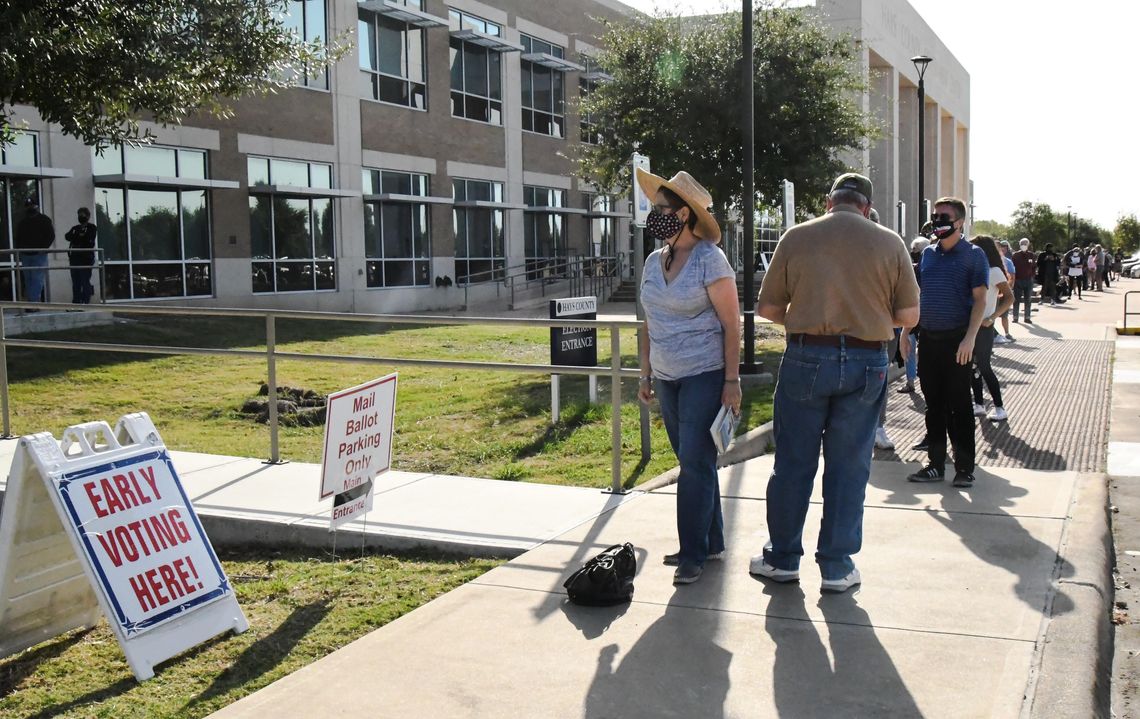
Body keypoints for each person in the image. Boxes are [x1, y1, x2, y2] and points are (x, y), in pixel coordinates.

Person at [752, 173, 919, 594]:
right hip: (868, 360)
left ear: (830, 202)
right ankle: (837, 566)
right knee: (849, 467)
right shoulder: (890, 242)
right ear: (866, 206)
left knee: (793, 463)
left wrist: (810, 318)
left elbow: (768, 307)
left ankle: (783, 558)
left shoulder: (796, 237)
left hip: (807, 356)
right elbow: (910, 316)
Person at [635, 168, 740, 586]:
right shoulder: (652, 260)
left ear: (682, 214)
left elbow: (732, 325)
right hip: (666, 375)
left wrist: (731, 381)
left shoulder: (710, 260)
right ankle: (710, 541)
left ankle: (692, 553)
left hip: (704, 374)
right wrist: (644, 373)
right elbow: (648, 320)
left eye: (660, 209)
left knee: (695, 464)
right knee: (693, 461)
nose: (653, 215)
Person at [907, 197, 988, 489]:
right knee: (934, 406)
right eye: (935, 215)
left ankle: (964, 468)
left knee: (960, 405)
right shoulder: (927, 255)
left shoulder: (974, 255)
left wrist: (970, 338)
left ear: (960, 222)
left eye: (944, 216)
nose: (938, 220)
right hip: (929, 340)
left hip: (958, 341)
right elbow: (920, 296)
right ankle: (935, 465)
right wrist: (908, 333)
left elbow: (980, 301)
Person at [970, 236, 1014, 421]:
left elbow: (1009, 297)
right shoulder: (973, 269)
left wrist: (992, 318)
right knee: (972, 366)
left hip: (985, 326)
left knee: (985, 366)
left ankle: (999, 407)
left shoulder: (994, 271)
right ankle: (979, 404)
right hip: (970, 325)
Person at [898, 237, 930, 395]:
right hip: (921, 314)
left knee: (911, 349)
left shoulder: (919, 269)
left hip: (919, 314)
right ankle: (913, 380)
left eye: (916, 250)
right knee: (911, 348)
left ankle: (912, 381)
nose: (913, 253)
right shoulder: (920, 267)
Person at [14, 197, 55, 303]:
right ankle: (32, 302)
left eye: (32, 206)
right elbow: (18, 238)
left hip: (39, 255)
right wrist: (19, 251)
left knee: (37, 279)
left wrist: (43, 249)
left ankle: (33, 303)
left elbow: (51, 236)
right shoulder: (23, 222)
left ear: (37, 206)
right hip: (26, 255)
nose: (30, 208)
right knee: (28, 280)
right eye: (28, 206)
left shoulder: (44, 220)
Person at [65, 207, 97, 304]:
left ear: (87, 216)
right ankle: (76, 302)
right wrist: (79, 235)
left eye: (83, 215)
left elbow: (89, 240)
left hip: (86, 258)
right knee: (76, 282)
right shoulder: (76, 228)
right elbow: (67, 236)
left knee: (85, 280)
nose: (81, 217)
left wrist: (79, 236)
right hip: (75, 258)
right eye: (79, 215)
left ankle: (85, 301)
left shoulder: (92, 227)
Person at [994, 240, 1016, 343]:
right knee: (991, 315)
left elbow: (1012, 276)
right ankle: (993, 335)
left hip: (1004, 292)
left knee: (1004, 315)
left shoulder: (1008, 261)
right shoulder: (989, 261)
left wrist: (1009, 289)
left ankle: (1007, 333)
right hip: (993, 293)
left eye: (1000, 247)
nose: (1000, 249)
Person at [1011, 238, 1037, 323]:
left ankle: (1027, 317)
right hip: (1018, 280)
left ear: (1028, 245)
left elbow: (1033, 267)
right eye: (1022, 244)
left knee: (1028, 299)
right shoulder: (1015, 255)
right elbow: (1012, 268)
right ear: (1019, 245)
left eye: (1025, 244)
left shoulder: (1031, 255)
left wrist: (1032, 276)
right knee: (1016, 299)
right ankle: (1015, 317)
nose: (1024, 245)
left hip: (1028, 280)